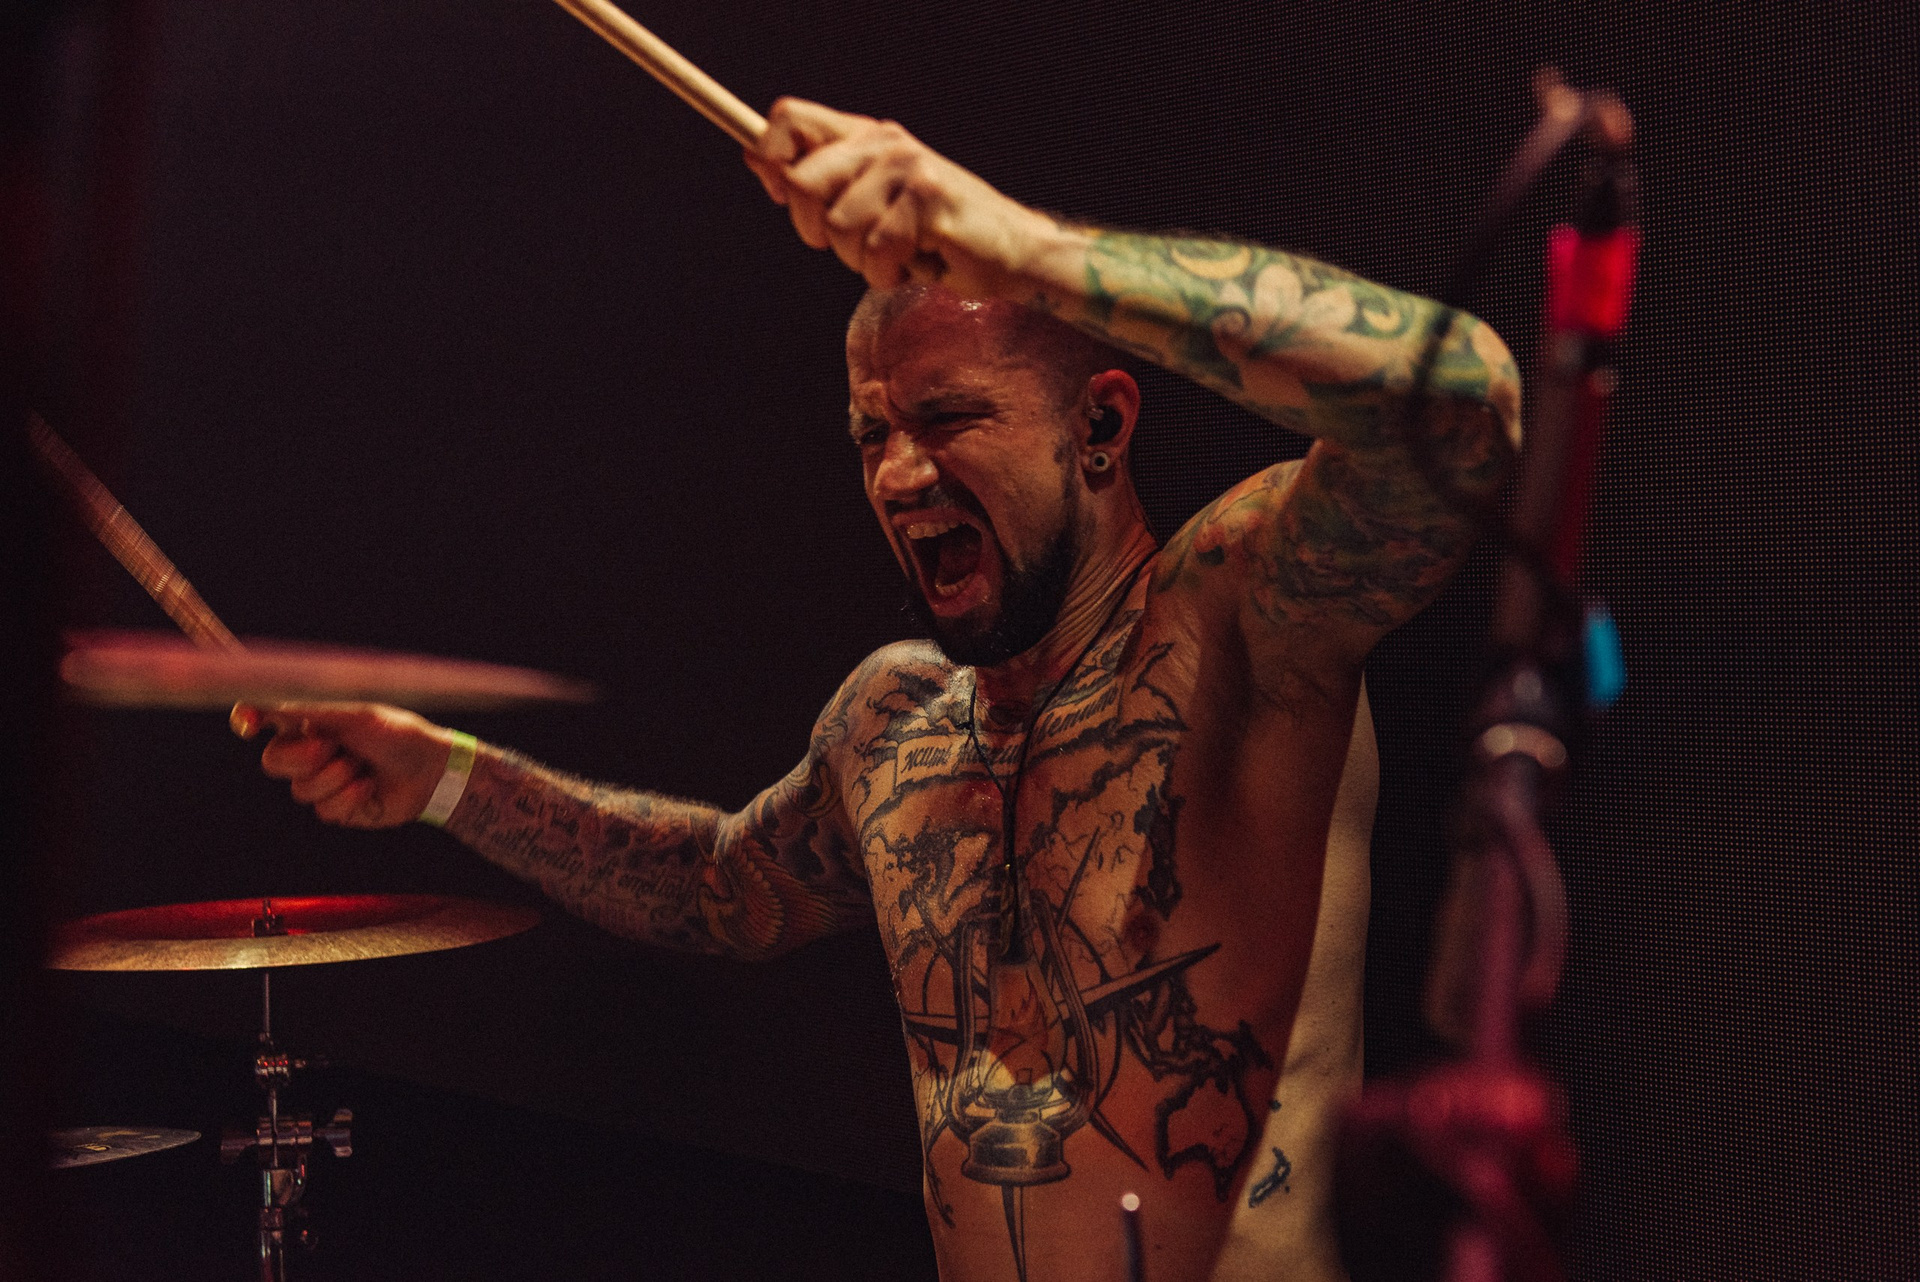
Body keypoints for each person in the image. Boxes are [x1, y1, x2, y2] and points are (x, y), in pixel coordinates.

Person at [234, 98, 1519, 1282]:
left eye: (948, 417)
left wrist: (1023, 251)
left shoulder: (1240, 630)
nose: (899, 475)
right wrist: (443, 775)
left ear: (1100, 428)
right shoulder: (895, 723)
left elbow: (1465, 403)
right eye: (871, 435)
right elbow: (717, 886)